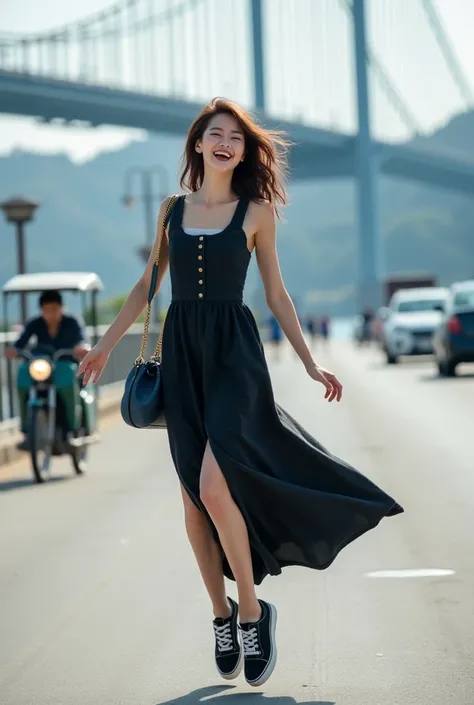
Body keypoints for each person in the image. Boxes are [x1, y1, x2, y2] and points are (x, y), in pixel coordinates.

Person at [78, 98, 403, 687]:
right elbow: (146, 287)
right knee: (193, 503)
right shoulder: (172, 210)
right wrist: (105, 346)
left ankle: (252, 611)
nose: (225, 142)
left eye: (235, 136)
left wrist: (308, 362)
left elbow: (277, 296)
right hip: (183, 358)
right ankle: (220, 613)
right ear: (198, 145)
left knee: (213, 484)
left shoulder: (257, 213)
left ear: (244, 150)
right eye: (214, 134)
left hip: (234, 358)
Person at [4, 289, 90, 450]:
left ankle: (72, 429)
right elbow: (21, 342)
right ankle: (27, 431)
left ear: (61, 307)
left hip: (65, 364)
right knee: (23, 374)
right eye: (46, 310)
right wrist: (13, 350)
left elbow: (81, 339)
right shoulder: (35, 323)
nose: (50, 313)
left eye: (54, 309)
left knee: (67, 380)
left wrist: (81, 347)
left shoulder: (72, 322)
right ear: (41, 310)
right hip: (43, 366)